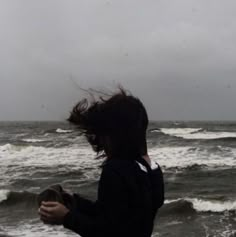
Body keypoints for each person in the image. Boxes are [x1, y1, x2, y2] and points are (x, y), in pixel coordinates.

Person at [38, 88, 164, 237]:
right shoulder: (153, 170)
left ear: (114, 134)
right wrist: (76, 202)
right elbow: (113, 215)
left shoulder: (115, 170)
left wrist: (66, 217)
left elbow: (106, 231)